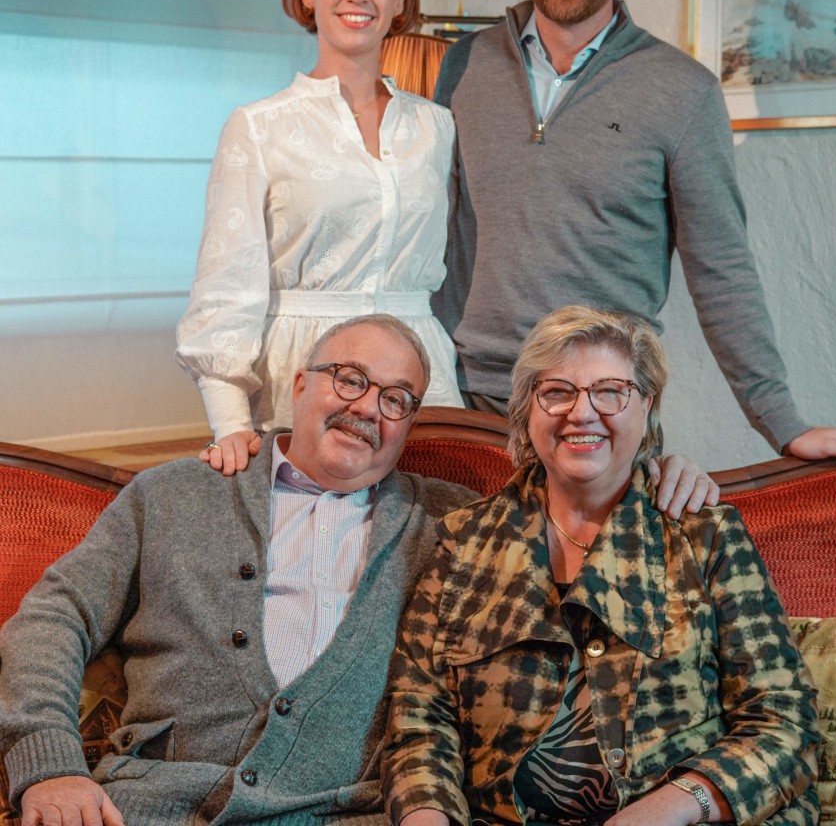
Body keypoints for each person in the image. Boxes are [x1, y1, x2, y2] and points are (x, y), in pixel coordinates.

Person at [0, 314, 713, 826]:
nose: (368, 407)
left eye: (395, 398)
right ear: (301, 382)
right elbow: (53, 617)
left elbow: (577, 510)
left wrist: (651, 477)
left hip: (352, 810)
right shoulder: (174, 495)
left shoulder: (457, 526)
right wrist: (50, 762)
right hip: (152, 802)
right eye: (349, 379)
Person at [431, 0, 836, 466]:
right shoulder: (464, 65)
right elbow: (431, 229)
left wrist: (782, 422)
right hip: (468, 402)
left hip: (601, 412)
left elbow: (721, 269)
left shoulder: (683, 90)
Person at [382, 306, 820, 826]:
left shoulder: (704, 535)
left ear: (646, 406)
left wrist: (668, 810)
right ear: (527, 411)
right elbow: (418, 723)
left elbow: (783, 724)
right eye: (557, 392)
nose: (581, 412)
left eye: (610, 390)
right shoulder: (464, 542)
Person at [176, 0, 462, 479]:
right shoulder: (258, 127)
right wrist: (230, 421)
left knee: (430, 544)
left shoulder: (436, 127)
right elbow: (224, 284)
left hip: (418, 378)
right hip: (304, 376)